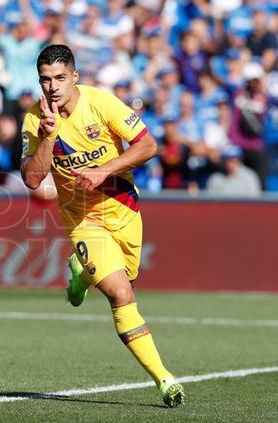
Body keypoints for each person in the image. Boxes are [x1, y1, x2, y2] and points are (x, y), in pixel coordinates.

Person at [20, 44, 184, 408]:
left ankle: (81, 276)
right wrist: (48, 136)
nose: (53, 87)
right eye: (45, 80)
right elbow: (32, 179)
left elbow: (149, 145)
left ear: (75, 76)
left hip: (123, 208)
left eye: (60, 78)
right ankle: (165, 380)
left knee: (125, 282)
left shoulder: (102, 104)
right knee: (121, 295)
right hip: (82, 219)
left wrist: (103, 169)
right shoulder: (35, 119)